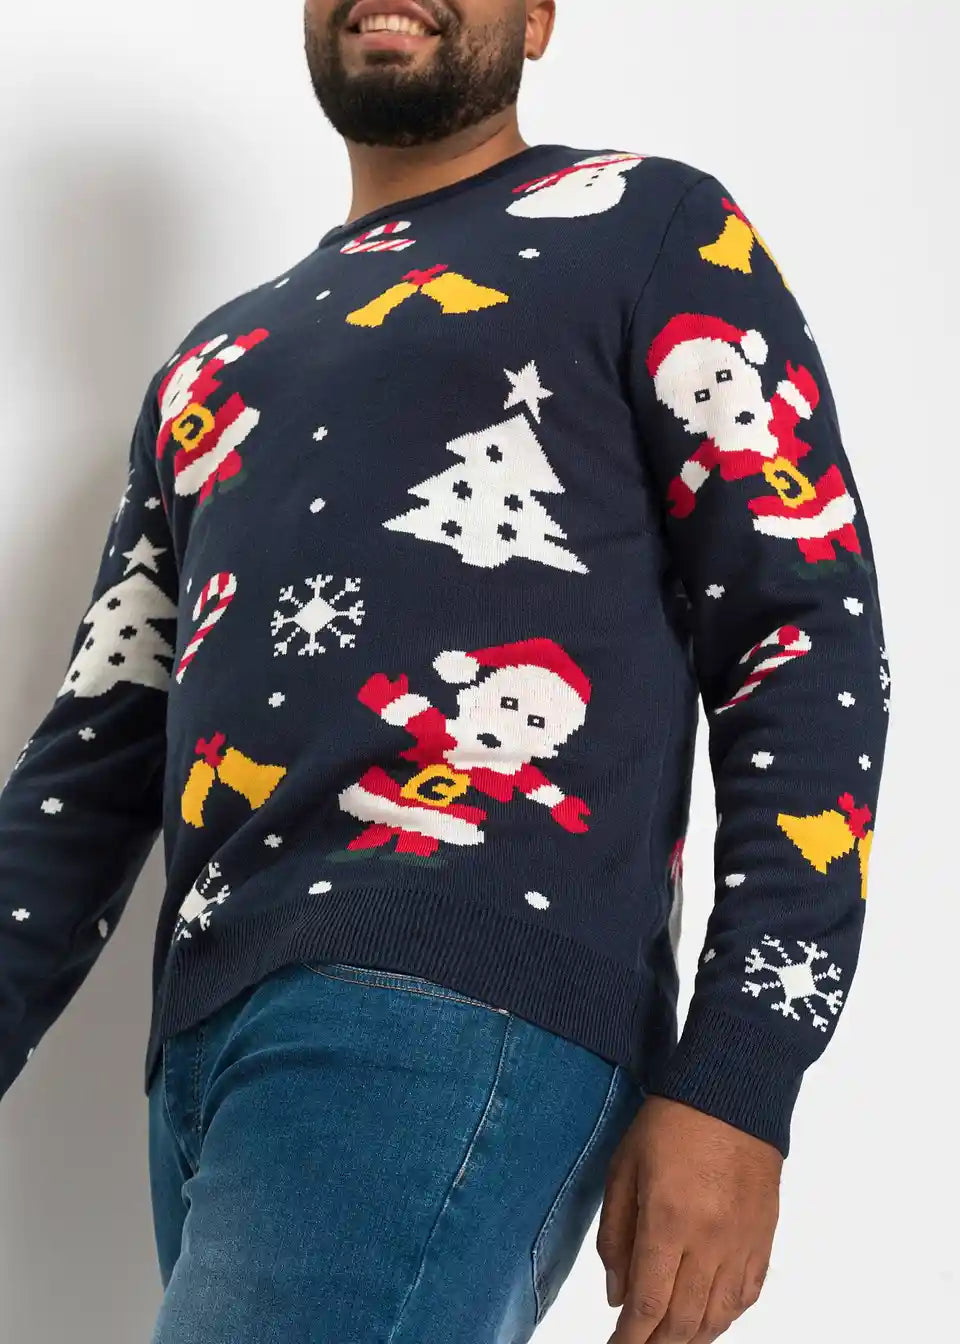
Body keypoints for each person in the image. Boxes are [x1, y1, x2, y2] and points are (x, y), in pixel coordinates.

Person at [0, 2, 888, 1340]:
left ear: (538, 19)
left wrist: (742, 1075)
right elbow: (91, 755)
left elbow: (804, 631)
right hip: (203, 1049)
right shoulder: (210, 364)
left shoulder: (649, 226)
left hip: (458, 995)